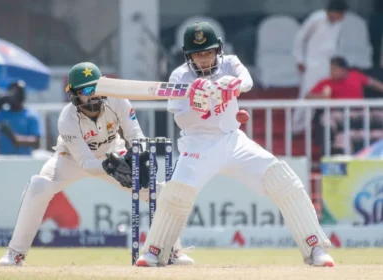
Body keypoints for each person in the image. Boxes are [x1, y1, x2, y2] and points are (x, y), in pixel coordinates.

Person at [135, 21, 335, 267]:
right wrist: (199, 106)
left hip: (233, 140)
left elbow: (247, 81)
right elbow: (181, 120)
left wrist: (230, 86)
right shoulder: (180, 76)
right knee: (177, 193)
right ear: (189, 56)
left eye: (209, 52)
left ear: (218, 50)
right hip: (198, 144)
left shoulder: (230, 63)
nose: (205, 59)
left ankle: (315, 247)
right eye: (199, 54)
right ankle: (155, 251)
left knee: (282, 179)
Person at [0, 62, 194, 266]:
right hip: (71, 159)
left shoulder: (118, 101)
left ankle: (172, 250)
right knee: (39, 186)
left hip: (113, 152)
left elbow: (136, 135)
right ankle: (15, 253)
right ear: (73, 94)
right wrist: (112, 167)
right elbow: (86, 162)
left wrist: (139, 154)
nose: (92, 95)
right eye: (85, 91)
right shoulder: (67, 118)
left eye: (95, 88)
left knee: (158, 192)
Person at [292, 0, 349, 134]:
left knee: (327, 96)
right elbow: (300, 38)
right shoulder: (317, 18)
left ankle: (320, 127)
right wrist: (299, 60)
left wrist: (338, 65)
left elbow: (336, 44)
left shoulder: (339, 23)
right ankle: (296, 128)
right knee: (307, 95)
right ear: (331, 12)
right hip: (312, 65)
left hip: (330, 66)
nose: (340, 18)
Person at [0, 80, 41, 155]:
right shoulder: (0, 115)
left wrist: (15, 138)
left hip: (23, 162)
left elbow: (36, 143)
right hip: (3, 161)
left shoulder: (31, 116)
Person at [307, 56, 383, 100]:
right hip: (338, 113)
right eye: (331, 69)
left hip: (358, 112)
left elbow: (373, 83)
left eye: (334, 69)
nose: (332, 72)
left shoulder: (356, 76)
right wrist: (321, 96)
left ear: (343, 69)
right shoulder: (326, 82)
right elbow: (308, 96)